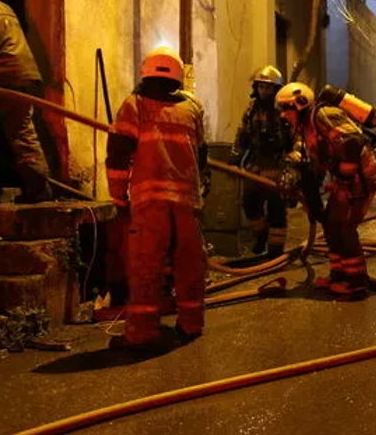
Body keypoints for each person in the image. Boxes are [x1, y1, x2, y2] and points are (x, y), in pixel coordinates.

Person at [105, 46, 209, 348]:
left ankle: (142, 331)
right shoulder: (192, 109)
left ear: (145, 74)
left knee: (145, 266)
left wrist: (118, 198)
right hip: (188, 202)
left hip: (149, 204)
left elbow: (118, 157)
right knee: (189, 264)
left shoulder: (133, 106)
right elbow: (201, 156)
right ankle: (191, 324)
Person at [276, 82, 376, 296]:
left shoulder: (324, 115)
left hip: (359, 176)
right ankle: (339, 273)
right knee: (331, 222)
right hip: (344, 178)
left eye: (286, 109)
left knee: (344, 226)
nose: (283, 115)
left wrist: (343, 177)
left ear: (299, 104)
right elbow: (315, 160)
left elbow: (352, 141)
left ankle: (356, 281)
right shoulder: (306, 126)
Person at [0, 0, 52, 203]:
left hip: (1, 78)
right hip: (24, 77)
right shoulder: (2, 5)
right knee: (22, 133)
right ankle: (39, 191)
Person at [230, 66, 290, 257]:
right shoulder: (251, 110)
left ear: (276, 90)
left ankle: (275, 249)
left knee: (276, 210)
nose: (264, 91)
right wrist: (235, 157)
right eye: (261, 87)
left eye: (268, 88)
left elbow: (292, 139)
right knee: (249, 204)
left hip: (276, 166)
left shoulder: (284, 112)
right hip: (255, 165)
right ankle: (261, 235)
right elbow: (242, 134)